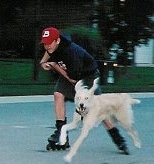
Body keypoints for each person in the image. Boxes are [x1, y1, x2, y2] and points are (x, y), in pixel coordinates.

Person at [39, 26, 129, 154]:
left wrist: (54, 66)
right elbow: (48, 53)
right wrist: (43, 63)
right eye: (45, 43)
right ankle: (60, 131)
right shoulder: (53, 46)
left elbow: (72, 79)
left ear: (57, 41)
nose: (47, 46)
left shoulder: (71, 52)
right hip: (70, 73)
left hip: (87, 77)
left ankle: (118, 139)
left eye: (49, 43)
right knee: (58, 94)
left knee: (98, 110)